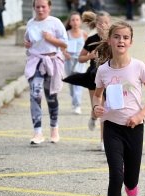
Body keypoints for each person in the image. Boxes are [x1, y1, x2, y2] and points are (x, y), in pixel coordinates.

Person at [92, 20, 145, 196]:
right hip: (111, 126)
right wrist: (96, 106)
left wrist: (140, 116)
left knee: (130, 179)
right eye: (117, 37)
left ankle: (131, 182)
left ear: (130, 42)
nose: (121, 40)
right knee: (115, 177)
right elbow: (97, 95)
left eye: (125, 37)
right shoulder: (103, 70)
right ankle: (120, 174)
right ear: (109, 41)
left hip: (134, 127)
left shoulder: (138, 67)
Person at [65, 11, 111, 151]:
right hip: (94, 77)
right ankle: (92, 118)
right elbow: (80, 58)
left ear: (110, 24)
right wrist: (90, 56)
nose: (102, 25)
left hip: (109, 77)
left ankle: (103, 140)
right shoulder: (91, 40)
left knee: (105, 109)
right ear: (96, 24)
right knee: (97, 108)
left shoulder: (113, 39)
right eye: (100, 23)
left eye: (105, 23)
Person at [24, 0, 68, 144]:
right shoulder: (31, 22)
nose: (40, 10)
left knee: (51, 97)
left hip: (52, 61)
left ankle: (54, 127)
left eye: (43, 7)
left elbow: (64, 44)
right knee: (35, 95)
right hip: (36, 61)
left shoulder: (55, 22)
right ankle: (38, 132)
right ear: (34, 8)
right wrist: (28, 44)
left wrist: (50, 38)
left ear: (49, 7)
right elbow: (28, 41)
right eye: (38, 7)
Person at [62, 12, 88, 114]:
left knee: (78, 84)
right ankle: (74, 101)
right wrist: (65, 53)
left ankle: (77, 105)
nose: (75, 22)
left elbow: (88, 47)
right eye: (73, 20)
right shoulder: (66, 34)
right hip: (69, 61)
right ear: (70, 22)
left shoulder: (84, 34)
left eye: (77, 20)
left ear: (80, 22)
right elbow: (62, 47)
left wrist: (87, 56)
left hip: (80, 61)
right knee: (71, 84)